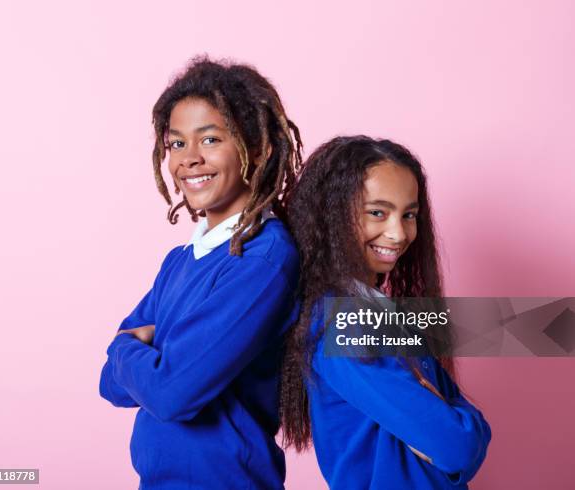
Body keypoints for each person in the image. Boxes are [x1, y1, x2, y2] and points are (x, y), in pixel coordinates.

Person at [99, 56, 302, 489]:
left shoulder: (262, 261)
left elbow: (171, 394)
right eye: (176, 144)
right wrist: (142, 364)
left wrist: (124, 348)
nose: (189, 159)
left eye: (209, 139)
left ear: (259, 149)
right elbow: (110, 387)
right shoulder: (180, 260)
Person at [280, 135, 491, 489]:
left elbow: (455, 436)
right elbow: (456, 447)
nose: (398, 233)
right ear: (331, 216)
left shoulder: (377, 312)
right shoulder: (343, 323)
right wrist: (467, 425)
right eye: (377, 212)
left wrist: (460, 423)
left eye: (409, 215)